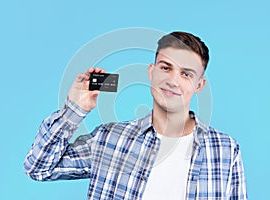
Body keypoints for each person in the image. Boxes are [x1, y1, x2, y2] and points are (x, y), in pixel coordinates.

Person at [24, 31, 248, 199]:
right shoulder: (108, 139)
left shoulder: (225, 149)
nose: (172, 80)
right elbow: (38, 168)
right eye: (166, 68)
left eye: (186, 74)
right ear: (151, 72)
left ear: (199, 85)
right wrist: (75, 109)